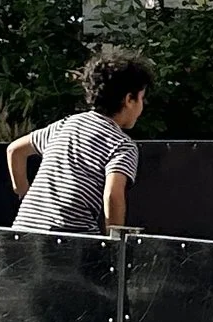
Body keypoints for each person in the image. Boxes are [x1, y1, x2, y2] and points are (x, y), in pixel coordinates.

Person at [8, 54, 154, 235]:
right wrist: (115, 244)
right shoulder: (122, 145)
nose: (143, 106)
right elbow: (113, 195)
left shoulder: (66, 124)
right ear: (129, 99)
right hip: (72, 238)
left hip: (22, 230)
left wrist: (23, 192)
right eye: (142, 99)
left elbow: (14, 150)